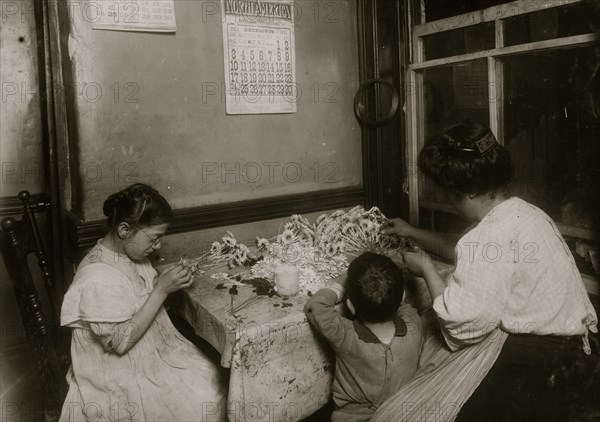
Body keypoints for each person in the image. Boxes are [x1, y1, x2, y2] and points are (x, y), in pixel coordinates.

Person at [379, 121, 598, 421]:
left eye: (447, 193)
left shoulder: (489, 235)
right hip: (575, 346)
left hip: (543, 359)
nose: (445, 200)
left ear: (466, 191)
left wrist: (426, 268)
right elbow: (463, 246)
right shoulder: (521, 210)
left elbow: (461, 326)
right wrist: (411, 231)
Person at [59, 183, 226, 421]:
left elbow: (141, 300)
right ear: (124, 230)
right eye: (154, 238)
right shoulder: (97, 278)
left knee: (215, 375)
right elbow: (120, 343)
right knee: (204, 400)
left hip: (150, 352)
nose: (158, 246)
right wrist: (161, 290)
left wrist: (171, 282)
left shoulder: (128, 255)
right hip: (114, 373)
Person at [304, 252, 423, 422]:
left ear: (350, 306)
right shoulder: (413, 325)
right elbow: (405, 306)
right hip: (400, 415)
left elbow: (314, 306)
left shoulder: (346, 336)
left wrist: (343, 282)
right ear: (402, 296)